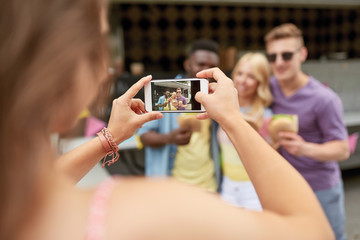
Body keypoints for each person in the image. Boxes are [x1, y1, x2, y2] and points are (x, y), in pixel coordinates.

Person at [0, 0, 335, 238]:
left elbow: (53, 177)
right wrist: (232, 119)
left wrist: (109, 137)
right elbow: (311, 230)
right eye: (98, 40)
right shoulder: (148, 208)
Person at [264, 23, 350, 240]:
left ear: (302, 54)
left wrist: (304, 148)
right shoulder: (268, 89)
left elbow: (342, 150)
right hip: (283, 186)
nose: (279, 62)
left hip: (320, 188)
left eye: (286, 55)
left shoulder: (324, 99)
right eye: (272, 57)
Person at [138, 39, 221, 192]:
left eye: (212, 67)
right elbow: (143, 135)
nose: (206, 71)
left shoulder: (215, 96)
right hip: (174, 185)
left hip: (208, 183)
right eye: (201, 64)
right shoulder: (166, 92)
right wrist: (169, 138)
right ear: (187, 64)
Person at [218, 52, 273, 210]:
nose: (242, 80)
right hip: (227, 185)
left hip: (253, 189)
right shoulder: (222, 108)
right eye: (240, 73)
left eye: (251, 76)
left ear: (260, 82)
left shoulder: (265, 115)